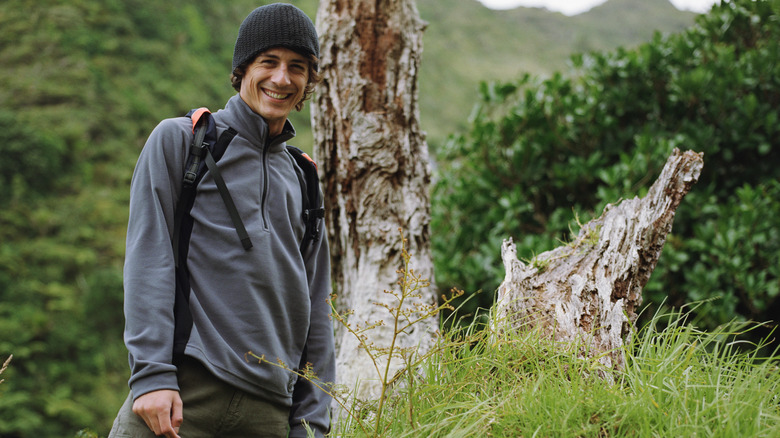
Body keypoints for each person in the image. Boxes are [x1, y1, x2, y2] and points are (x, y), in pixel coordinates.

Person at [108, 4, 335, 438]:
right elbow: (148, 258)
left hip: (269, 414)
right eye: (268, 62)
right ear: (242, 69)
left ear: (309, 80)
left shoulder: (305, 179)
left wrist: (313, 423)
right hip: (182, 395)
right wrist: (152, 375)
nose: (282, 78)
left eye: (298, 67)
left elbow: (316, 308)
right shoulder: (183, 142)